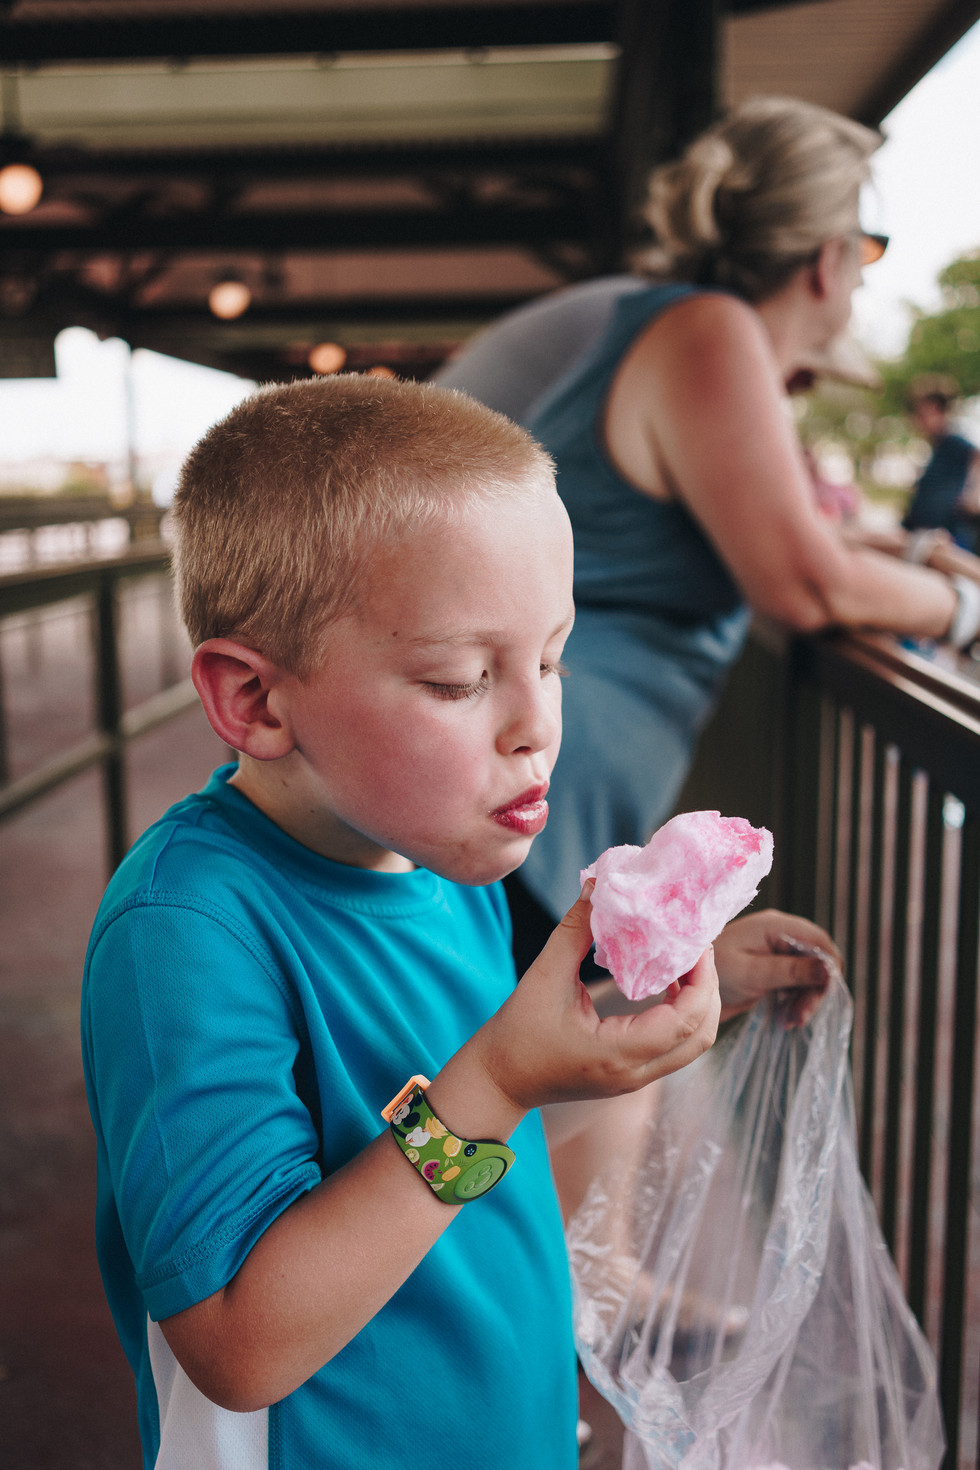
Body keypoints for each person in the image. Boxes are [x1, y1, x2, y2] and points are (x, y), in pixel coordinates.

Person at [80, 374, 837, 1470]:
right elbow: (240, 1344)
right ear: (255, 700)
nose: (537, 724)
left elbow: (475, 1098)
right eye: (459, 679)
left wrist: (664, 980)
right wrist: (501, 1080)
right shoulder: (187, 931)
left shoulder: (439, 856)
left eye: (552, 657)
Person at [436, 96, 980, 970]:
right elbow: (809, 582)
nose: (865, 278)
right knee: (479, 1055)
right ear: (828, 258)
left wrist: (920, 556)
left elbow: (801, 528)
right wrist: (962, 609)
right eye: (869, 250)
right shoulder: (709, 330)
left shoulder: (682, 327)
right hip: (518, 793)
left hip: (520, 782)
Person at [902, 373, 980, 552]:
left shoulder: (953, 440)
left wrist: (973, 494)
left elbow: (977, 457)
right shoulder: (938, 445)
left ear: (936, 410)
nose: (918, 419)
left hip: (950, 534)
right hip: (928, 533)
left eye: (922, 414)